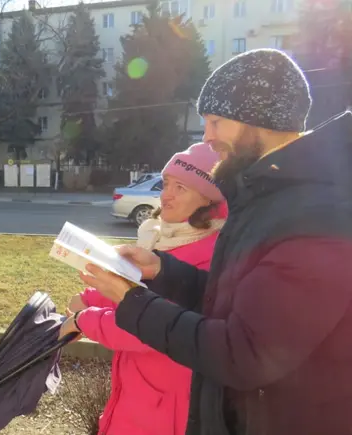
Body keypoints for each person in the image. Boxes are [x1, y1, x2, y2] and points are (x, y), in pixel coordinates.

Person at [68, 48, 352, 435]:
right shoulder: (269, 195)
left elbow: (245, 353)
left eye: (216, 121)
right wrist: (163, 271)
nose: (208, 137)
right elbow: (242, 303)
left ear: (260, 119)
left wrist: (130, 301)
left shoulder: (318, 210)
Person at [61, 143, 226, 435]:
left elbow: (146, 325)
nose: (166, 195)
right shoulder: (162, 239)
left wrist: (83, 320)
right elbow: (134, 287)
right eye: (166, 184)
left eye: (181, 188)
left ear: (208, 200)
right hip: (141, 396)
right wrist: (89, 297)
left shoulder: (210, 252)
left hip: (168, 410)